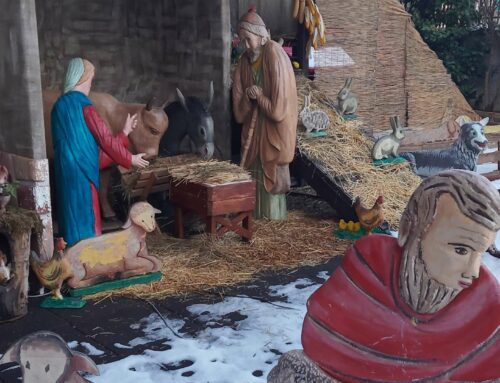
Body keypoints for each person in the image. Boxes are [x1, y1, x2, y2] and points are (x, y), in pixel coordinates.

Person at [269, 170, 500, 382]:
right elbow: (323, 336)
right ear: (409, 231)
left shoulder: (487, 311)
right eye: (460, 250)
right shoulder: (365, 270)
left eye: (481, 252)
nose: (473, 272)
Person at [51, 58, 149, 247]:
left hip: (65, 170)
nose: (90, 84)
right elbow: (104, 139)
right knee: (87, 215)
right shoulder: (84, 106)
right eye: (90, 79)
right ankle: (88, 259)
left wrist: (124, 133)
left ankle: (70, 256)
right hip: (82, 174)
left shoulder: (58, 107)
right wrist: (129, 158)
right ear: (82, 78)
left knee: (69, 212)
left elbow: (89, 153)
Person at [232, 7, 298, 220]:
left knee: (270, 186)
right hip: (253, 136)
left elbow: (278, 112)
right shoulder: (243, 63)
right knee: (253, 176)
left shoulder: (273, 54)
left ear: (262, 37)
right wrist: (248, 99)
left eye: (248, 39)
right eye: (241, 40)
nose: (245, 46)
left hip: (272, 135)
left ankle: (272, 220)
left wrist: (259, 96)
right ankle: (251, 218)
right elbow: (239, 115)